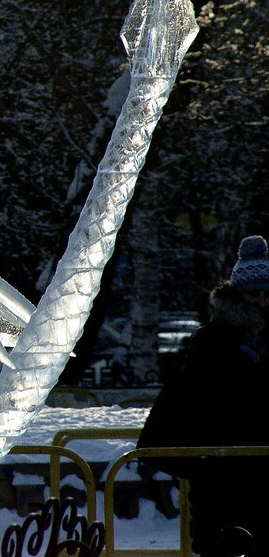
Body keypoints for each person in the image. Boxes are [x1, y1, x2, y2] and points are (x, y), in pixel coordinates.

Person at [139, 235, 269, 557]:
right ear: (237, 297)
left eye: (268, 294)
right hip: (221, 478)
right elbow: (205, 400)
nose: (263, 302)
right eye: (254, 295)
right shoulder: (212, 342)